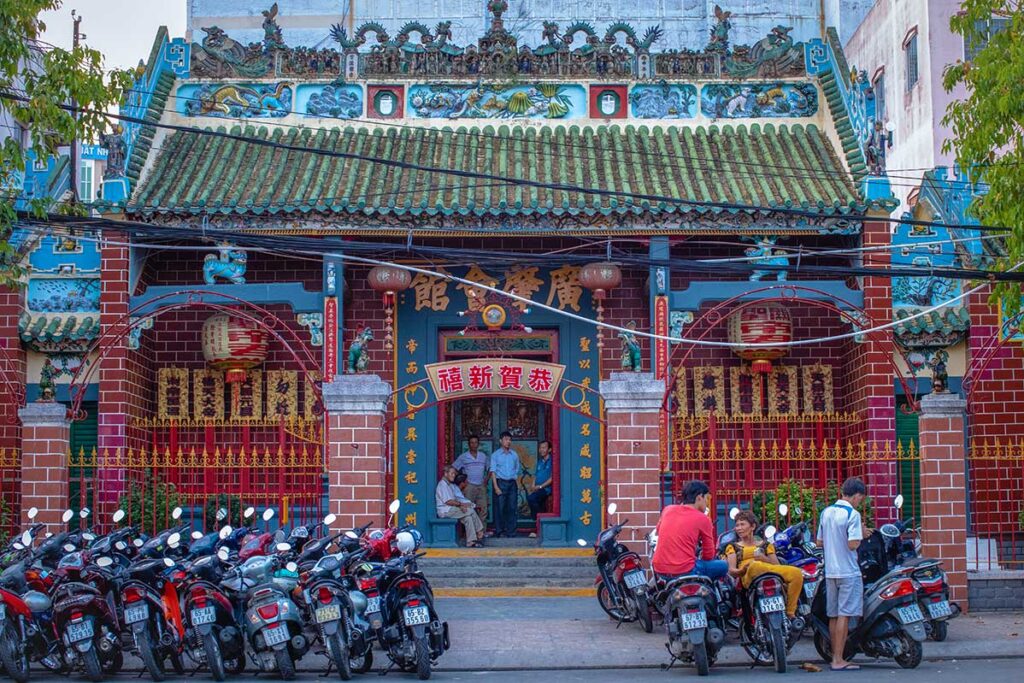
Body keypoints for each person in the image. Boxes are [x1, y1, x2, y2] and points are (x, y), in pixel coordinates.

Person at [816, 476, 868, 672]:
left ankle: (834, 656)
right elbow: (853, 543)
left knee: (834, 616)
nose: (859, 502)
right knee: (845, 616)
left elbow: (819, 542)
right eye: (860, 499)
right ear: (856, 496)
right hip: (848, 571)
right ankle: (838, 659)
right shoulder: (852, 514)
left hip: (831, 571)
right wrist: (862, 533)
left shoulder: (826, 512)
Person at [723, 510, 805, 620]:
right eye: (737, 525)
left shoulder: (766, 545)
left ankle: (790, 612)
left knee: (796, 573)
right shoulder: (733, 547)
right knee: (754, 565)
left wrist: (764, 558)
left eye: (742, 524)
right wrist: (742, 570)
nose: (738, 528)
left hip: (770, 573)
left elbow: (777, 567)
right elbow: (731, 570)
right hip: (749, 576)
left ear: (752, 526)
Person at [652, 480, 728, 580]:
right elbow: (709, 555)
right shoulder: (703, 519)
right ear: (699, 497)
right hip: (685, 570)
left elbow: (658, 532)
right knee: (724, 566)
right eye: (707, 498)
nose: (707, 502)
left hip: (659, 569)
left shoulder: (668, 510)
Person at [436, 465, 484, 548]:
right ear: (446, 474)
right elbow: (448, 501)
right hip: (446, 511)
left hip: (452, 509)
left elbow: (455, 500)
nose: (454, 475)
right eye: (452, 473)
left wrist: (461, 506)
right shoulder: (442, 485)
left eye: (454, 474)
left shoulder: (449, 485)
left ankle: (470, 542)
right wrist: (461, 505)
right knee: (470, 510)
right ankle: (479, 531)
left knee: (468, 518)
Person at [453, 435, 489, 528]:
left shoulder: (483, 456)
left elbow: (490, 469)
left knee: (483, 509)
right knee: (468, 509)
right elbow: (454, 469)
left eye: (475, 442)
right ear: (469, 444)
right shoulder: (463, 457)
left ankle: (481, 532)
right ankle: (470, 532)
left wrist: (486, 480)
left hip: (481, 486)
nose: (474, 445)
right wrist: (461, 482)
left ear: (478, 444)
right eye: (471, 443)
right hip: (469, 486)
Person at [490, 431, 521, 538]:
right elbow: (493, 472)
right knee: (499, 508)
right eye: (506, 439)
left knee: (512, 507)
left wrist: (518, 485)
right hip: (500, 483)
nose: (508, 442)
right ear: (500, 441)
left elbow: (516, 470)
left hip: (512, 483)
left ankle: (511, 531)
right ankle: (499, 531)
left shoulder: (514, 455)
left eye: (509, 440)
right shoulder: (495, 455)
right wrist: (496, 487)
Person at [527, 440, 554, 537]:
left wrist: (541, 486)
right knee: (534, 501)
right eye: (540, 448)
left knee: (532, 499)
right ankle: (539, 528)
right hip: (538, 489)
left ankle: (538, 520)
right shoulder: (539, 462)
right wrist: (533, 486)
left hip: (545, 489)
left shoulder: (552, 461)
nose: (541, 450)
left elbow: (552, 478)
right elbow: (535, 475)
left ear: (549, 449)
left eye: (544, 447)